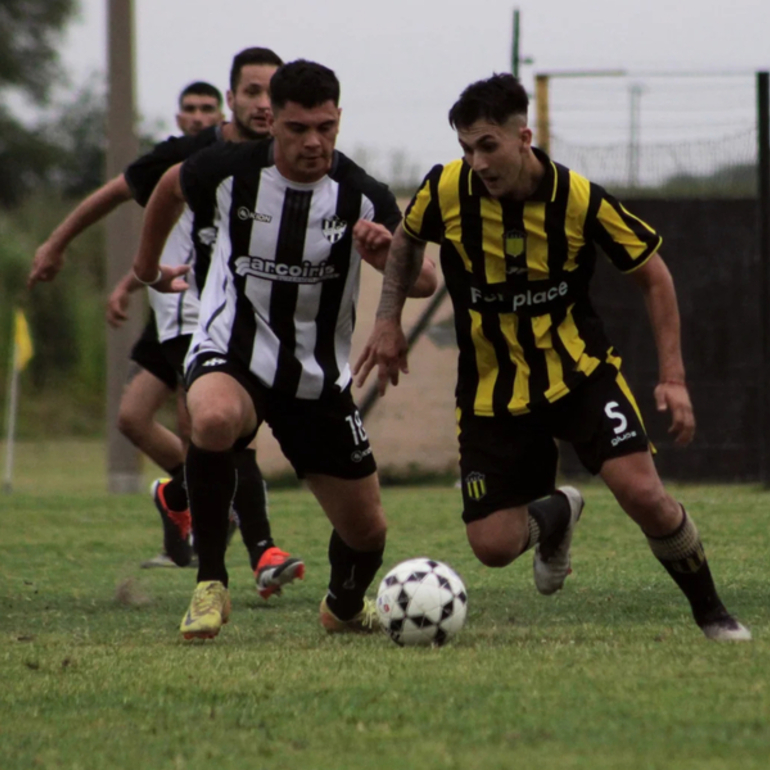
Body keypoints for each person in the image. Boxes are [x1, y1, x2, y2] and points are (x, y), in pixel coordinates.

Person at [355, 73, 750, 643]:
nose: (477, 162)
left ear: (524, 137)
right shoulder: (445, 189)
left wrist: (673, 378)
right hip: (492, 390)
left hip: (580, 375)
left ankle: (713, 613)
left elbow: (654, 277)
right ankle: (559, 512)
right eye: (466, 148)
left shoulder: (578, 198)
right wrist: (387, 320)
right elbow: (408, 242)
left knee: (643, 494)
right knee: (491, 548)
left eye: (488, 145)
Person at [132, 59, 438, 640]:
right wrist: (146, 267)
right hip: (232, 347)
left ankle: (343, 608)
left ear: (339, 119)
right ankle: (212, 584)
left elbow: (423, 281)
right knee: (214, 417)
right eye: (298, 129)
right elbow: (170, 185)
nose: (313, 141)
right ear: (273, 123)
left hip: (316, 377)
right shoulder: (228, 172)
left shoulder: (361, 195)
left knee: (368, 534)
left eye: (325, 126)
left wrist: (384, 255)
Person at [29, 54, 304, 599]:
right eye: (252, 91)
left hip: (212, 312)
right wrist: (58, 243)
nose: (263, 104)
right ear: (233, 99)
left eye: (273, 93)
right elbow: (119, 194)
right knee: (164, 422)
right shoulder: (194, 155)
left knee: (196, 426)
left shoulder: (292, 157)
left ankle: (224, 525)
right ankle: (223, 520)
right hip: (183, 308)